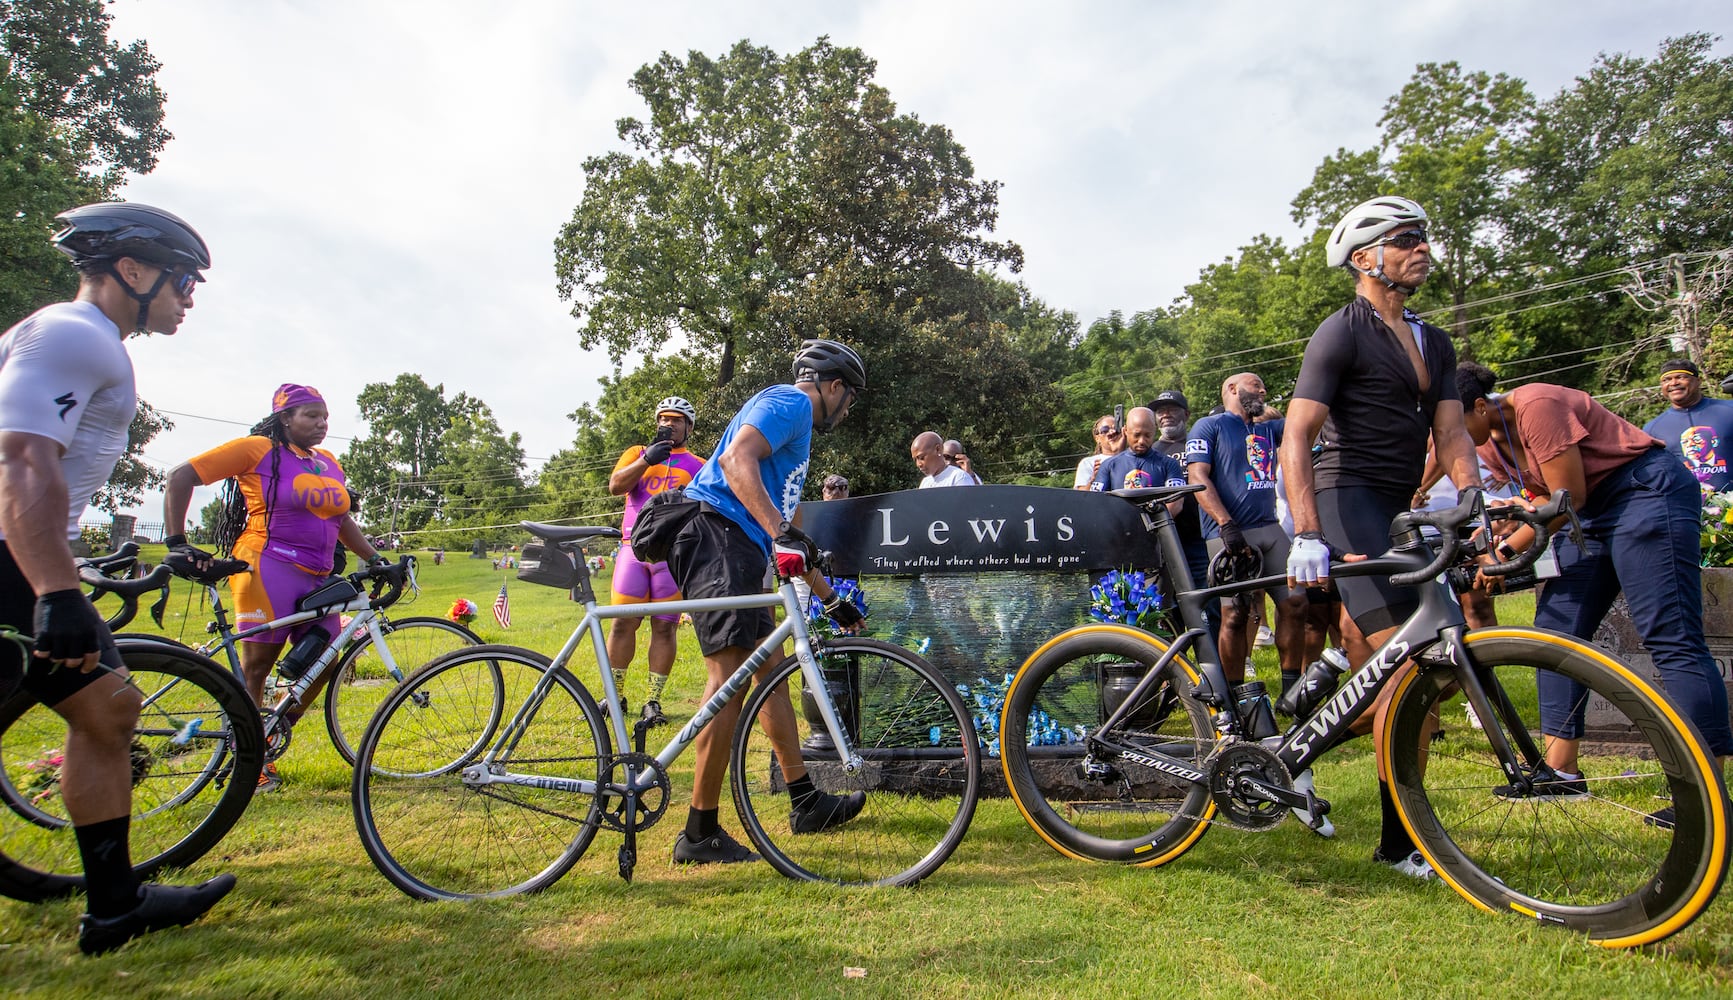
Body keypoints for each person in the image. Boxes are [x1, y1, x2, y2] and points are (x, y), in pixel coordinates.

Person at [0, 202, 233, 954]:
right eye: (183, 280)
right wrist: (56, 590)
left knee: (109, 714)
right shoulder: (76, 336)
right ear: (132, 272)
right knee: (108, 713)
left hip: (27, 558)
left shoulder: (74, 341)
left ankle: (113, 905)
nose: (188, 295)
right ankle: (112, 902)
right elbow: (24, 459)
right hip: (12, 561)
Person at [1281, 195, 1482, 879]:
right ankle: (1399, 844)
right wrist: (1306, 532)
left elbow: (1451, 433)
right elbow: (1296, 437)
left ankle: (1306, 717)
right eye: (1403, 239)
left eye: (1422, 237)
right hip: (1342, 502)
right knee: (1411, 673)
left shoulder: (1433, 340)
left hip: (1396, 509)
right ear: (1364, 258)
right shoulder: (1340, 331)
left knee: (1444, 670)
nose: (1420, 247)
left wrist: (1474, 498)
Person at [1458, 363, 1732, 820]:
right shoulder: (1489, 443)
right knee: (1554, 632)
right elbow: (1541, 499)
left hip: (1646, 492)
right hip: (1592, 516)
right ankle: (1561, 775)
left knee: (1671, 635)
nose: (1451, 435)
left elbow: (1568, 498)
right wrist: (1500, 530)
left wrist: (1505, 551)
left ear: (1480, 406)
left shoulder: (1535, 405)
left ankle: (1707, 796)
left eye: (1454, 422)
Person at [666, 339, 870, 864]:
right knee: (728, 682)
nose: (849, 412)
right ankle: (699, 831)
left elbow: (790, 536)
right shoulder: (791, 404)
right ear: (834, 386)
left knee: (768, 670)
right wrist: (778, 528)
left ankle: (804, 802)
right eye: (851, 400)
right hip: (716, 534)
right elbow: (736, 461)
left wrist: (829, 599)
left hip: (738, 541)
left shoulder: (794, 439)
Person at [163, 384, 387, 791]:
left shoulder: (329, 462)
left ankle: (267, 730)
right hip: (268, 567)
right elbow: (180, 477)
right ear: (285, 418)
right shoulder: (258, 450)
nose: (322, 424)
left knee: (324, 663)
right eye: (311, 416)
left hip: (318, 576)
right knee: (257, 669)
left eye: (325, 417)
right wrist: (176, 542)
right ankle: (248, 759)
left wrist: (375, 559)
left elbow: (340, 520)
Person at [1186, 373, 1307, 689]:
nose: (1263, 389)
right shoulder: (1209, 426)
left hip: (1270, 528)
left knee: (1295, 603)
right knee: (1236, 613)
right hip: (1229, 534)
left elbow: (1307, 424)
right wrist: (1226, 524)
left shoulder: (1267, 428)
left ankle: (1292, 690)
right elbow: (1197, 477)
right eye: (1256, 385)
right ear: (1232, 389)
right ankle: (1237, 695)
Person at [606, 396, 706, 724]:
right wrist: (647, 459)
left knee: (664, 627)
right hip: (631, 549)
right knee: (623, 623)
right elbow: (616, 485)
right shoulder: (637, 453)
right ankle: (614, 696)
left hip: (671, 555)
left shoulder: (698, 465)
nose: (669, 423)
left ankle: (653, 701)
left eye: (677, 419)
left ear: (689, 426)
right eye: (664, 418)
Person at [1643, 357, 1733, 498]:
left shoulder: (1729, 410)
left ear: (1698, 381)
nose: (1674, 383)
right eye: (1666, 380)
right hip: (1689, 512)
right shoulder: (1653, 429)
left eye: (1681, 377)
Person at [1073, 414, 1124, 489]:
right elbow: (1081, 496)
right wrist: (1094, 479)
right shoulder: (1088, 463)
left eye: (1116, 428)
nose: (1112, 432)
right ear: (1097, 438)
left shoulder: (1132, 458)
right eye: (1105, 430)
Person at [1148, 390, 1190, 461]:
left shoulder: (1198, 445)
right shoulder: (1150, 453)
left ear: (1186, 415)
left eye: (1173, 410)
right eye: (1160, 411)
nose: (1166, 415)